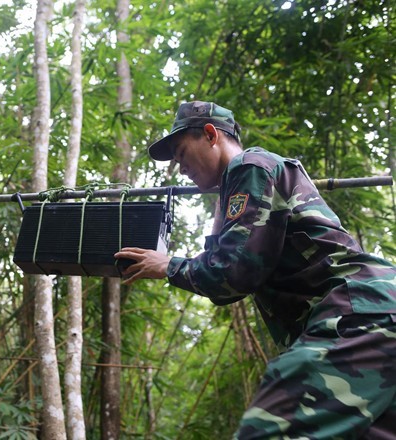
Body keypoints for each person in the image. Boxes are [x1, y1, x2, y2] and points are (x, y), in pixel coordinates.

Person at [115, 101, 396, 439]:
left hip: (357, 316)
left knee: (269, 430)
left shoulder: (250, 165)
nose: (180, 168)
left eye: (181, 153)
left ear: (209, 134)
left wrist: (168, 266)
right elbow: (227, 279)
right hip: (373, 316)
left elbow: (231, 275)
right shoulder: (246, 179)